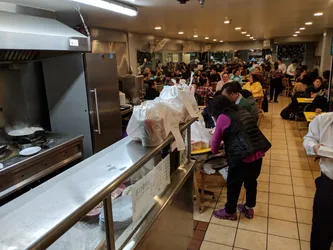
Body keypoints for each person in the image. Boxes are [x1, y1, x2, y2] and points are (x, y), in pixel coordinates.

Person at [209, 96, 271, 220]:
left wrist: (213, 151)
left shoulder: (223, 117)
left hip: (242, 155)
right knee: (251, 182)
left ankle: (230, 212)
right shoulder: (242, 111)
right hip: (258, 152)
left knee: (233, 184)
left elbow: (215, 140)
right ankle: (249, 208)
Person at [303, 113, 333, 250]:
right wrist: (314, 147)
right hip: (329, 183)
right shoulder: (323, 120)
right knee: (321, 230)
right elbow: (309, 139)